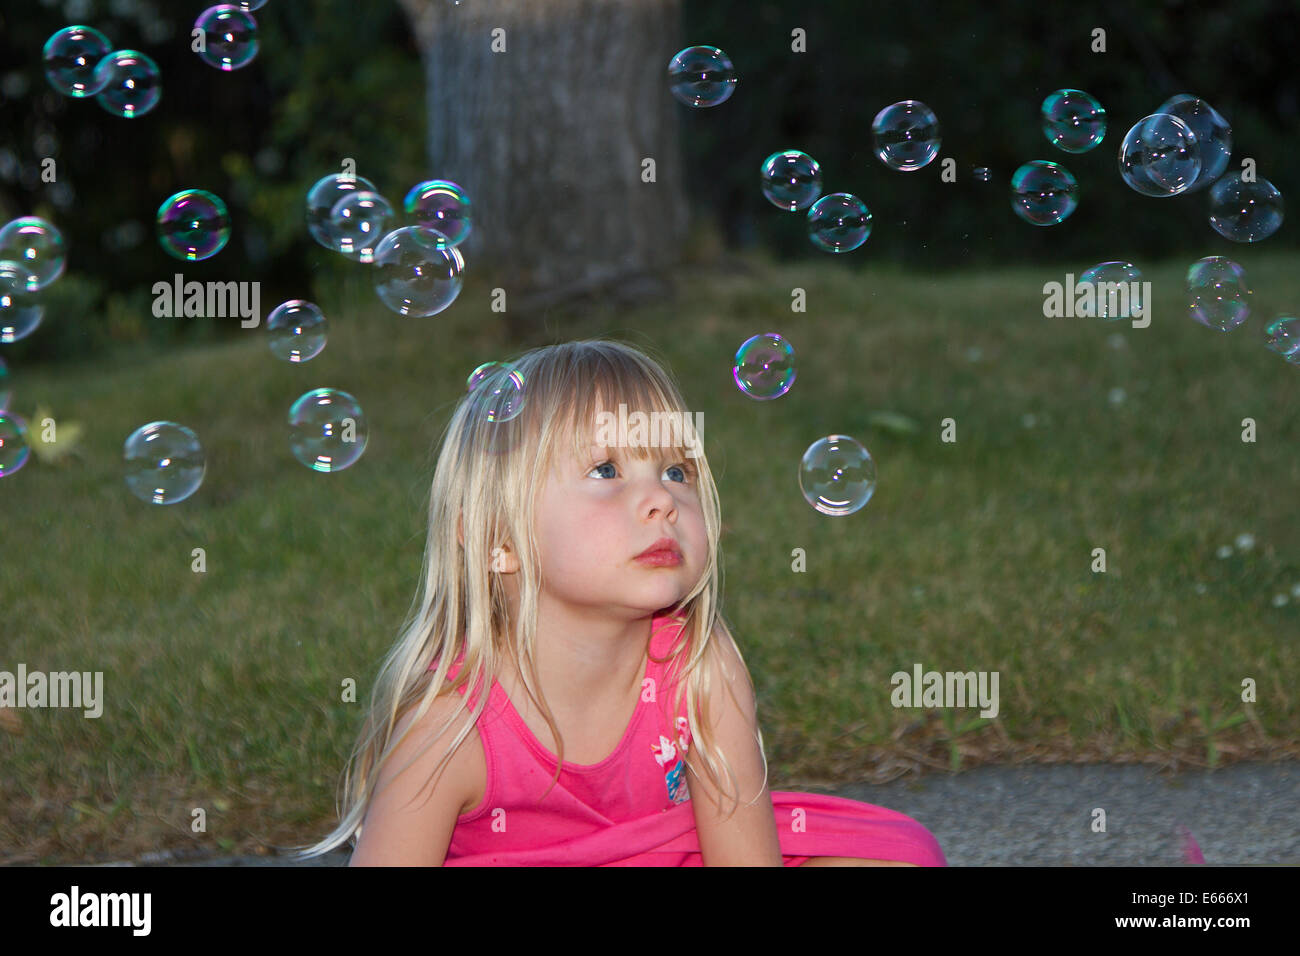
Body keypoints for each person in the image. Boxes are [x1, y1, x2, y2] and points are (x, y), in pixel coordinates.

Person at [297, 338, 945, 866]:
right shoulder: (449, 722)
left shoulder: (699, 665)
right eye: (606, 471)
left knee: (898, 854)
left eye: (676, 471)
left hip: (661, 849)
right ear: (499, 540)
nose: (662, 499)